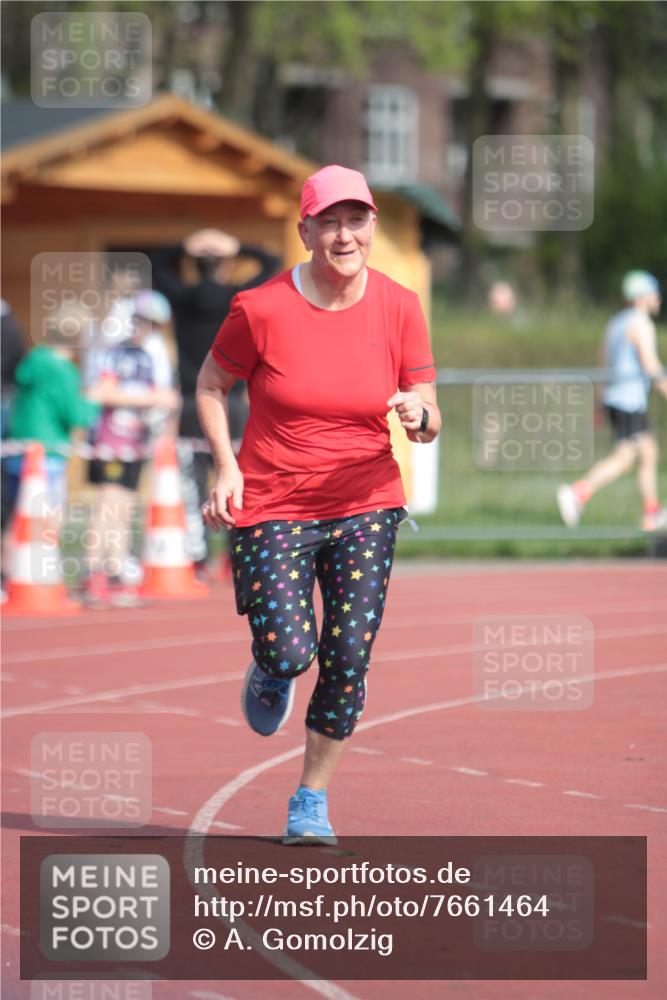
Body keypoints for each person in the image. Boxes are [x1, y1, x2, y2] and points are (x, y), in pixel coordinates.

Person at [196, 164, 442, 844]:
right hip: (273, 500)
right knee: (291, 650)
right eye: (328, 221)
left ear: (371, 226)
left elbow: (430, 415)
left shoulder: (398, 305)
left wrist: (418, 415)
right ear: (304, 230)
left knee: (350, 653)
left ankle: (309, 800)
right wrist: (225, 466)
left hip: (365, 501)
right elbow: (211, 385)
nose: (343, 234)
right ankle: (272, 666)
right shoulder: (260, 308)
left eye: (355, 219)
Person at [152, 229, 279, 576]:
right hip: (233, 401)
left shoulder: (182, 296)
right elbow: (272, 262)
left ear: (196, 267)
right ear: (224, 267)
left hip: (193, 400)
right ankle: (236, 555)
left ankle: (200, 557)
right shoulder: (237, 297)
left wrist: (185, 245)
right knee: (240, 478)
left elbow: (156, 265)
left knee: (195, 482)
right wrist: (236, 245)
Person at [83, 291, 180, 607]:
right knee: (108, 506)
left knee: (125, 510)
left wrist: (157, 402)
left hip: (136, 441)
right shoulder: (114, 352)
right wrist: (151, 399)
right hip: (111, 440)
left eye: (151, 324)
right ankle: (93, 572)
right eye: (140, 321)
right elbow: (100, 393)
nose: (144, 328)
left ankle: (116, 572)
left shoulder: (149, 356)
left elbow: (166, 397)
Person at [2, 303, 102, 590]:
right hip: (48, 453)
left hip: (17, 449)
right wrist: (96, 397)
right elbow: (76, 415)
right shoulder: (62, 370)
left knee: (16, 517)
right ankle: (41, 578)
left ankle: (8, 577)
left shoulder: (34, 358)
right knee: (49, 518)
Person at [557, 270, 667, 532]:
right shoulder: (640, 323)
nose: (658, 298)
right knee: (626, 456)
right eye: (654, 293)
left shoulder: (616, 322)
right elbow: (650, 364)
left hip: (617, 397)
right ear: (641, 297)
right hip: (629, 400)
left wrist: (599, 402)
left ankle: (651, 513)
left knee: (648, 452)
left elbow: (602, 364)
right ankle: (578, 493)